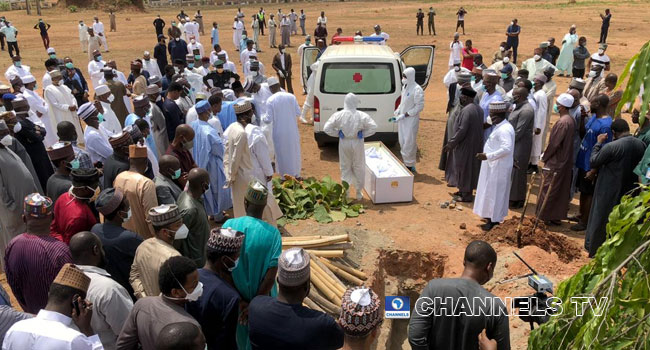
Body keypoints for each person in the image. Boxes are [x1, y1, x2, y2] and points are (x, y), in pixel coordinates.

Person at [408, 240, 509, 349]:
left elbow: (415, 336)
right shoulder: (496, 306)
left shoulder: (433, 288)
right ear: (489, 267)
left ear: (464, 261)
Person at [248, 248, 344, 349]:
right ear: (307, 286)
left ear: (278, 281)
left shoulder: (255, 306)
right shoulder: (322, 324)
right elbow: (342, 340)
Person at [3, 263, 103, 349]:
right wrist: (87, 329)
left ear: (49, 294)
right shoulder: (73, 340)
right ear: (76, 301)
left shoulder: (15, 329)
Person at [585, 119, 644, 257]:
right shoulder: (641, 145)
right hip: (630, 192)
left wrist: (598, 143)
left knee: (601, 220)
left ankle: (595, 251)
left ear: (613, 133)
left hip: (608, 190)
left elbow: (594, 160)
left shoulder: (612, 146)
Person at [4, 193, 72, 314]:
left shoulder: (12, 246)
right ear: (52, 218)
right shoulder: (61, 250)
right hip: (60, 320)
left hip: (31, 315)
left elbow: (13, 284)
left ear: (24, 218)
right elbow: (72, 291)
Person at [119, 256, 201, 348]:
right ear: (176, 292)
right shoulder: (191, 328)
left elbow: (123, 346)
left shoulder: (141, 305)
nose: (200, 286)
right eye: (194, 285)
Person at [70, 231, 133, 348]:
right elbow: (129, 333)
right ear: (96, 250)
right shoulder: (109, 289)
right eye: (102, 249)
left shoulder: (65, 283)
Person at [185, 227, 243, 350]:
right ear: (225, 260)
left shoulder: (189, 279)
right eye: (236, 257)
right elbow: (228, 340)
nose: (237, 260)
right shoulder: (230, 297)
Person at [324, 93, 378, 199]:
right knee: (359, 166)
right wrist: (363, 134)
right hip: (357, 141)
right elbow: (374, 127)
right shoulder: (361, 115)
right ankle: (358, 192)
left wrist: (337, 133)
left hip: (344, 142)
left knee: (345, 167)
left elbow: (326, 128)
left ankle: (347, 193)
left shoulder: (338, 115)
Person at [572, 94, 613, 232]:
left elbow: (604, 150)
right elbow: (584, 133)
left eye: (593, 102)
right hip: (583, 160)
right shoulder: (594, 118)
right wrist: (583, 118)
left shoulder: (606, 126)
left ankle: (584, 222)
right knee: (583, 191)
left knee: (588, 192)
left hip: (591, 165)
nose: (590, 104)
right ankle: (581, 214)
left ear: (599, 104)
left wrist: (594, 170)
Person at [93, 188, 143, 298]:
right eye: (128, 208)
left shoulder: (95, 229)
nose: (130, 210)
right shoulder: (130, 238)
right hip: (129, 291)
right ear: (121, 213)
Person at [473, 102, 515, 231]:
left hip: (498, 167)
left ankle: (494, 221)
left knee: (495, 194)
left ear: (500, 115)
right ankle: (490, 217)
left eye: (493, 115)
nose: (491, 118)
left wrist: (488, 156)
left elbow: (506, 148)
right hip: (494, 165)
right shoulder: (500, 126)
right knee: (490, 192)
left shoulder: (505, 129)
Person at [536, 93, 576, 225]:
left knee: (548, 189)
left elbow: (554, 144)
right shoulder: (570, 120)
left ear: (563, 107)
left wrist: (545, 156)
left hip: (556, 162)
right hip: (564, 161)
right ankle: (554, 216)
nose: (556, 106)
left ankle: (543, 217)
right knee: (559, 190)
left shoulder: (562, 123)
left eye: (558, 105)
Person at [128, 204, 184, 299]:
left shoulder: (143, 246)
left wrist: (145, 298)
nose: (183, 227)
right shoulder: (174, 258)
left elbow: (134, 277)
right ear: (165, 232)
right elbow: (178, 294)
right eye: (178, 225)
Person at [190, 100, 231, 221]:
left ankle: (212, 212)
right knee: (216, 188)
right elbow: (219, 149)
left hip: (199, 162)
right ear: (207, 111)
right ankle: (218, 214)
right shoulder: (209, 131)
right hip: (212, 163)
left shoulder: (194, 125)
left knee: (208, 189)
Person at [0, 129, 39, 256]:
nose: (7, 135)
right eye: (2, 133)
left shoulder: (5, 149)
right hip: (14, 213)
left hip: (25, 206)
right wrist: (12, 208)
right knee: (19, 247)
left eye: (6, 132)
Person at [442, 87, 483, 202]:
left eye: (461, 96)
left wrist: (451, 143)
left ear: (465, 97)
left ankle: (466, 195)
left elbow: (462, 130)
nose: (460, 98)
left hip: (465, 145)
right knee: (469, 168)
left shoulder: (466, 110)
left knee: (463, 168)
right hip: (474, 144)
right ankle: (462, 190)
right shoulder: (478, 109)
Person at [10, 98, 55, 193]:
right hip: (35, 157)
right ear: (23, 107)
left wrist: (37, 132)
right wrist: (37, 132)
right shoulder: (20, 124)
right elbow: (37, 137)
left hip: (40, 155)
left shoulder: (25, 121)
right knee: (44, 179)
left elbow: (43, 130)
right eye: (27, 105)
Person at [114, 144, 158, 238]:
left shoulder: (119, 177)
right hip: (144, 237)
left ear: (129, 160)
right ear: (146, 162)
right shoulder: (145, 183)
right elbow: (151, 217)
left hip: (125, 234)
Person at [49, 168, 99, 244]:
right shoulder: (78, 218)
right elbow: (71, 244)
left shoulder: (63, 197)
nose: (97, 189)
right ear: (84, 189)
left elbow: (53, 227)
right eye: (95, 187)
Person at [263, 80, 302, 178]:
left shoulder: (270, 100)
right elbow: (298, 112)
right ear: (279, 85)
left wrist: (262, 117)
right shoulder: (291, 97)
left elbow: (268, 119)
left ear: (271, 88)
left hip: (279, 133)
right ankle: (296, 175)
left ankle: (284, 177)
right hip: (292, 131)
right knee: (294, 152)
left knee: (281, 154)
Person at [223, 101, 254, 218]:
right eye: (251, 112)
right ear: (246, 115)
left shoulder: (232, 127)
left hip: (236, 175)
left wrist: (228, 173)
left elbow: (226, 152)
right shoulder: (242, 133)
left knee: (238, 205)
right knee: (244, 208)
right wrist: (232, 175)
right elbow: (236, 157)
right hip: (242, 174)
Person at [175, 168, 210, 266]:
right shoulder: (190, 210)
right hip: (195, 261)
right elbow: (178, 240)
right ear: (204, 185)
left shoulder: (190, 196)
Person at [392, 68, 424, 173]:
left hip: (411, 120)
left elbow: (419, 106)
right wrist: (397, 111)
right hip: (403, 120)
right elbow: (403, 102)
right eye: (403, 76)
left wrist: (405, 115)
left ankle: (410, 165)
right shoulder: (405, 87)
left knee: (409, 143)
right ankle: (406, 162)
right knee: (402, 141)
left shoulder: (417, 89)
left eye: (405, 77)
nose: (403, 79)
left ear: (410, 77)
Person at [508, 87, 535, 208]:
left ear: (519, 96)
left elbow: (519, 131)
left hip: (520, 145)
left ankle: (516, 199)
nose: (512, 97)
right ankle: (514, 197)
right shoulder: (518, 107)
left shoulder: (526, 111)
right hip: (515, 143)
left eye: (514, 95)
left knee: (517, 171)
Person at [530, 74, 550, 172]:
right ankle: (531, 163)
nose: (534, 81)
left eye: (535, 80)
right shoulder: (535, 92)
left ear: (540, 83)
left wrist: (538, 126)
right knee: (533, 144)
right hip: (534, 122)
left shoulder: (541, 95)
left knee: (536, 144)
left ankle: (534, 165)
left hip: (537, 124)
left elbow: (542, 111)